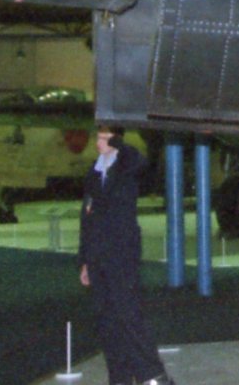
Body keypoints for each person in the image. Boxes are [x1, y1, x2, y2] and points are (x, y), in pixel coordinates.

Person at [80, 127, 173, 385]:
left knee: (129, 316)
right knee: (107, 321)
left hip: (121, 256)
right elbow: (85, 219)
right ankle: (119, 377)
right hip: (97, 257)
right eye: (98, 136)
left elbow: (139, 160)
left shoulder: (126, 167)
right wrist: (84, 260)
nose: (98, 142)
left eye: (104, 137)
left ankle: (152, 375)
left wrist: (118, 142)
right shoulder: (94, 173)